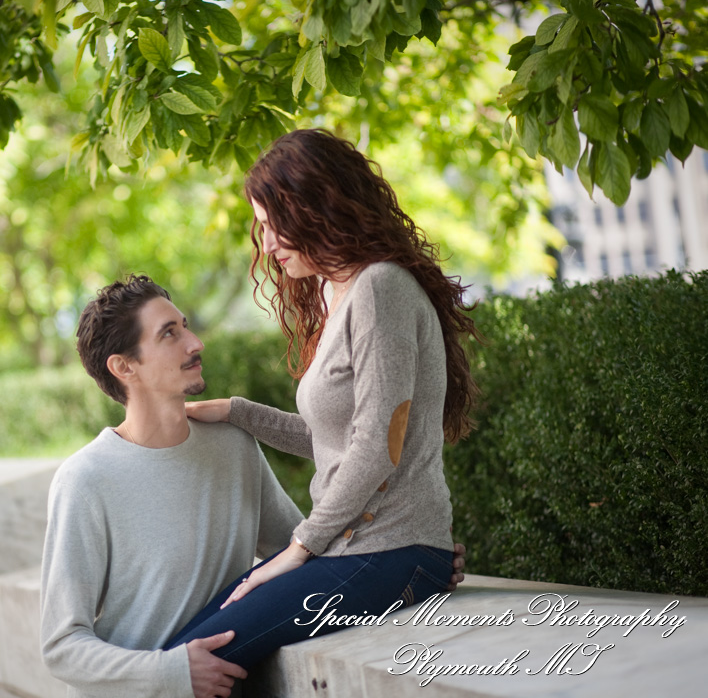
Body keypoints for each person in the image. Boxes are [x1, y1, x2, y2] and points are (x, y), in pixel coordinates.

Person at [40, 274, 467, 698]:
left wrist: (405, 554)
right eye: (169, 334)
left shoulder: (232, 445)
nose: (195, 343)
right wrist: (168, 671)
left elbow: (306, 554)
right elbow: (61, 646)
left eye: (185, 326)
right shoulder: (86, 479)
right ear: (124, 367)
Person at [165, 128, 480, 670]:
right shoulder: (337, 291)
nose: (266, 245)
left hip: (390, 550)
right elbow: (334, 440)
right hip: (358, 548)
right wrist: (237, 411)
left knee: (195, 660)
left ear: (317, 209)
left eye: (273, 225)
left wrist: (297, 549)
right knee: (184, 653)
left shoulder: (381, 289)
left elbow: (379, 446)